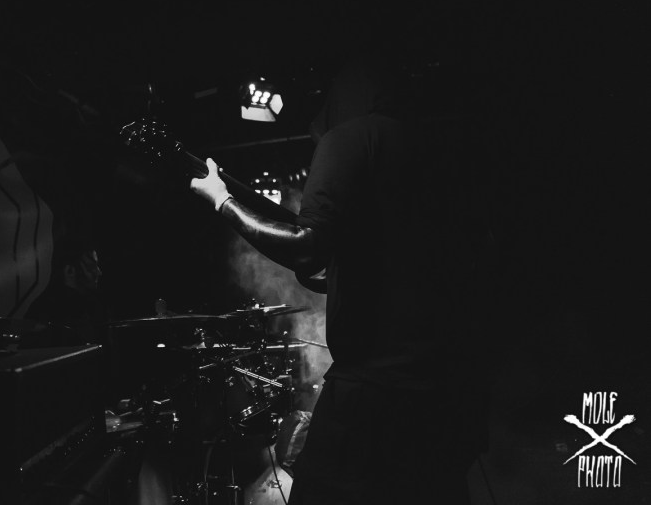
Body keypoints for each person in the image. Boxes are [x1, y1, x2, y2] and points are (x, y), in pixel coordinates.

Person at [189, 54, 492, 504]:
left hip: (372, 398)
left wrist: (222, 201)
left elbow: (306, 244)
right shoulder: (439, 154)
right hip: (447, 398)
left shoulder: (352, 137)